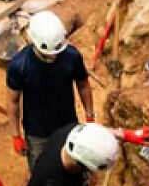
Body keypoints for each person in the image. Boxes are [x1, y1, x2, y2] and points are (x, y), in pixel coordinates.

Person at [7, 11, 94, 169]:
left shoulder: (71, 57)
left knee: (72, 164)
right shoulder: (20, 66)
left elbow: (83, 84)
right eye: (48, 54)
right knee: (41, 169)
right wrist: (16, 135)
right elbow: (13, 102)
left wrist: (89, 115)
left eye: (57, 53)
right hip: (37, 133)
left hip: (68, 123)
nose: (53, 57)